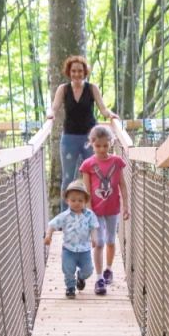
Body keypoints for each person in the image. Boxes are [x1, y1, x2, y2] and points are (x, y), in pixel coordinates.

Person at [46, 56, 119, 209]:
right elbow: (54, 107)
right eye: (73, 71)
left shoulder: (92, 88)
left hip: (90, 140)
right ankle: (66, 216)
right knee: (67, 178)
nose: (77, 74)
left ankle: (94, 213)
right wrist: (50, 114)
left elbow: (103, 108)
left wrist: (110, 115)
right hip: (69, 138)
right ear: (69, 72)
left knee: (94, 176)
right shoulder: (63, 89)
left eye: (80, 71)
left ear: (85, 72)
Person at [79, 125, 129, 295]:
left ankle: (108, 269)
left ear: (111, 144)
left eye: (105, 145)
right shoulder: (88, 165)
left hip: (113, 208)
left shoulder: (116, 162)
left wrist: (126, 206)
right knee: (99, 242)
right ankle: (99, 279)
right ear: (92, 144)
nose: (101, 149)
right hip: (95, 211)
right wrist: (88, 210)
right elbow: (86, 190)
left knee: (110, 241)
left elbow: (122, 184)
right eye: (98, 145)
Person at [44, 180, 99, 299]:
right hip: (68, 250)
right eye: (73, 200)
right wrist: (48, 236)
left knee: (88, 270)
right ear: (67, 200)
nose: (76, 203)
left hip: (84, 249)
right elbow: (52, 225)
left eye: (80, 200)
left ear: (85, 201)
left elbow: (93, 227)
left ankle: (81, 277)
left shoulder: (89, 215)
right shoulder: (64, 216)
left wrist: (94, 238)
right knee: (68, 270)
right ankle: (70, 287)